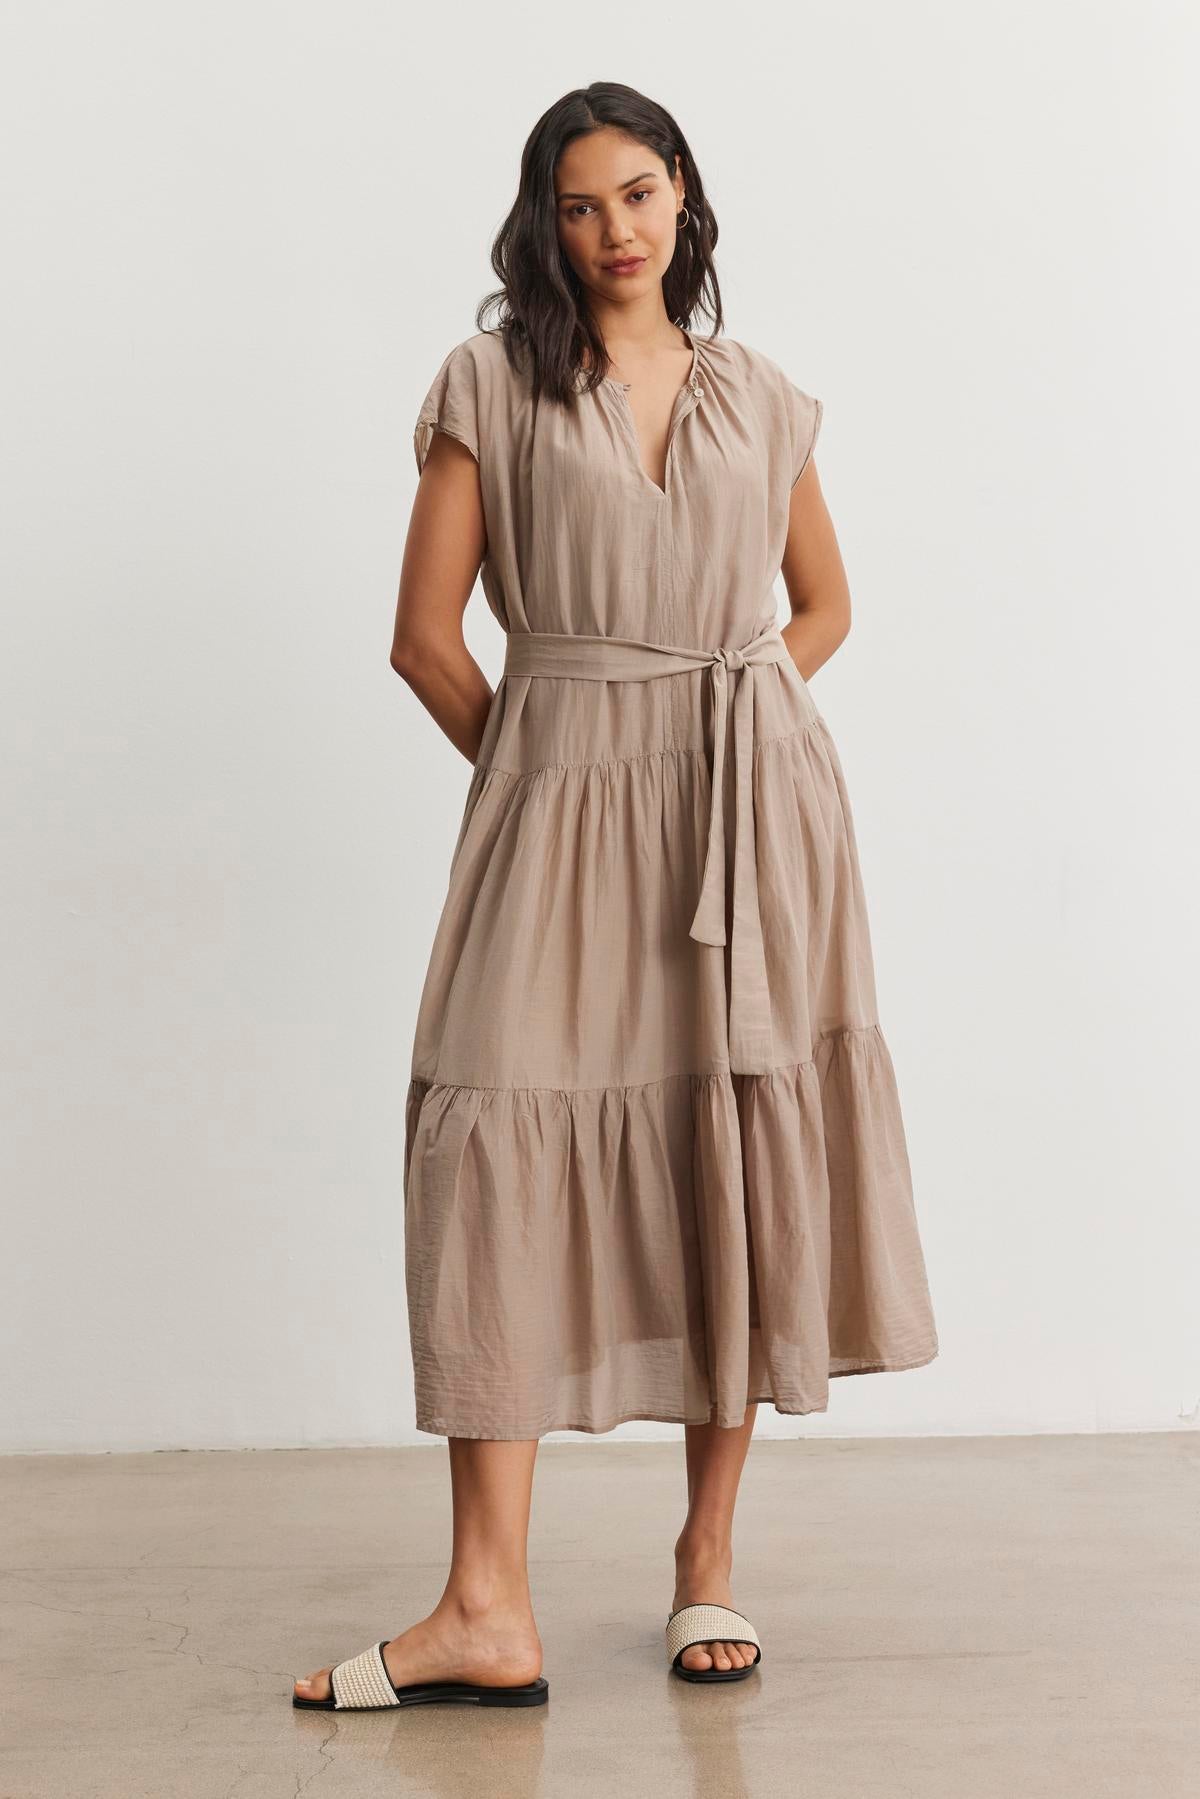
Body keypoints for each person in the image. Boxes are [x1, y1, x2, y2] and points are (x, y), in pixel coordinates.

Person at [294, 80, 938, 1712]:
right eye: (581, 206)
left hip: (749, 820)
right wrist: (544, 773)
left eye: (640, 195)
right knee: (495, 1151)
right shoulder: (492, 385)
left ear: (685, 200)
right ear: (546, 224)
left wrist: (743, 722)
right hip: (558, 812)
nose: (615, 231)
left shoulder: (760, 393)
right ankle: (483, 1606)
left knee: (724, 1143)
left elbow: (827, 602)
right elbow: (426, 640)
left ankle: (705, 1567)